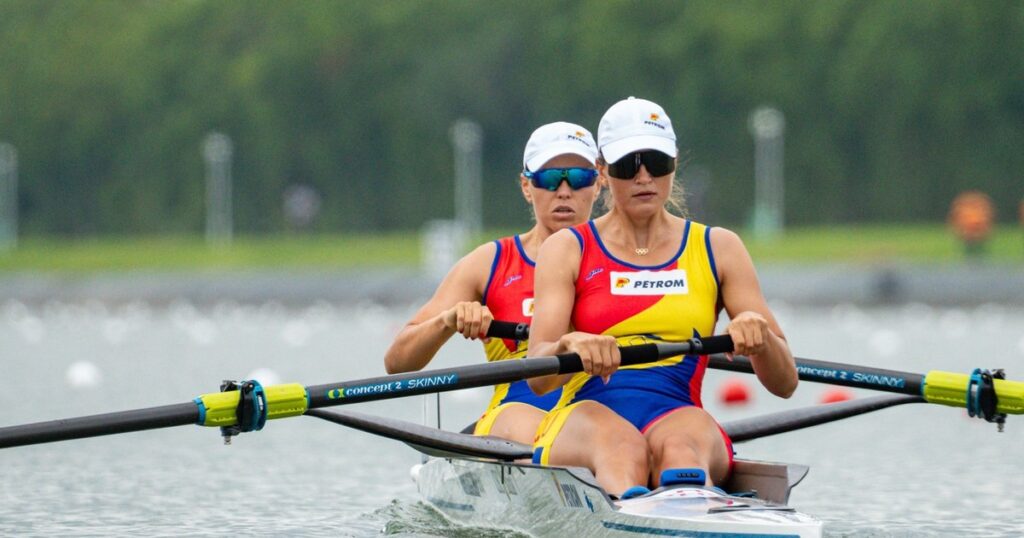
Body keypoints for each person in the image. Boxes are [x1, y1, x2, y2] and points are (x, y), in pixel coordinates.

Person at [527, 97, 798, 497]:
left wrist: (760, 340)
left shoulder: (718, 247)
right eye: (626, 165)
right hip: (586, 414)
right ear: (603, 172)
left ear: (674, 161)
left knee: (681, 453)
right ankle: (631, 509)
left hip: (676, 411)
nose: (643, 178)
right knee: (623, 449)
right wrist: (569, 345)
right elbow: (537, 378)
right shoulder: (568, 248)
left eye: (655, 162)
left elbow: (786, 382)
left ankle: (684, 505)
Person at [384, 121, 603, 445]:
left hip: (601, 420)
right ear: (527, 186)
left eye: (580, 177)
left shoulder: (623, 259)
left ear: (598, 184)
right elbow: (397, 363)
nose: (564, 190)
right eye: (548, 178)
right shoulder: (489, 263)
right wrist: (447, 322)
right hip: (516, 425)